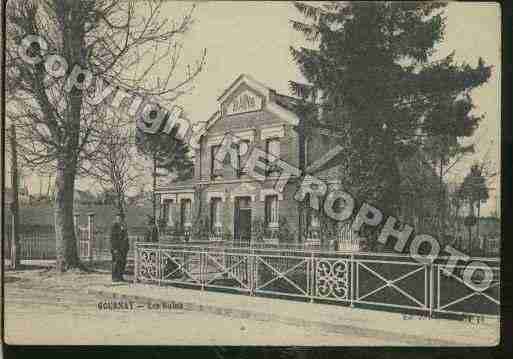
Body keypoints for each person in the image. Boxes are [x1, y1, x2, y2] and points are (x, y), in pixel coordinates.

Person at [110, 213, 127, 282]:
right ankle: (114, 277)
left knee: (122, 263)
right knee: (116, 262)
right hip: (116, 248)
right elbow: (113, 238)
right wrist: (114, 249)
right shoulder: (114, 226)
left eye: (121, 219)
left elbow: (125, 237)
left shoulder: (123, 226)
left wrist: (126, 247)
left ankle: (120, 276)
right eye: (118, 219)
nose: (120, 220)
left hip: (123, 248)